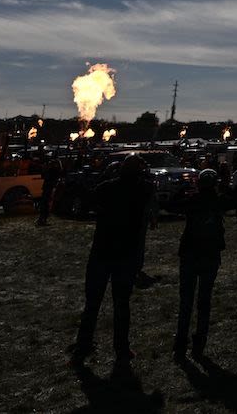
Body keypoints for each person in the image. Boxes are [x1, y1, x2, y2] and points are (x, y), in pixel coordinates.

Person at [71, 158, 152, 376]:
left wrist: (103, 176)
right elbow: (149, 188)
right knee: (121, 305)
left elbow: (87, 200)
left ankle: (83, 345)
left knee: (92, 304)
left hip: (102, 252)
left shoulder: (108, 188)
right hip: (125, 255)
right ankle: (122, 349)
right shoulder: (142, 190)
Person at [174, 169, 227, 362]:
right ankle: (200, 341)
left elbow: (173, 205)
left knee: (186, 301)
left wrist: (181, 191)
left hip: (189, 253)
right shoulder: (218, 201)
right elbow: (234, 200)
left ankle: (181, 341)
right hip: (210, 255)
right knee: (204, 300)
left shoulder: (193, 201)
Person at [36, 155, 61, 226]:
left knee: (45, 203)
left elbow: (44, 176)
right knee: (45, 204)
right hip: (48, 188)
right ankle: (42, 219)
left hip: (47, 187)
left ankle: (42, 219)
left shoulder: (50, 170)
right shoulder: (53, 170)